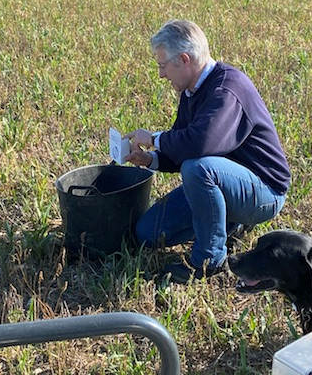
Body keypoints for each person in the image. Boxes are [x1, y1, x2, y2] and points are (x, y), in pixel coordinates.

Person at [124, 19, 291, 283]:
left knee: (199, 168)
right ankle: (227, 222)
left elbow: (201, 145)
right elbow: (182, 146)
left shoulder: (226, 88)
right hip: (224, 182)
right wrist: (150, 159)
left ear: (184, 59)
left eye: (163, 65)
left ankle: (208, 260)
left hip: (264, 190)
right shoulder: (191, 93)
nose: (161, 74)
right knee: (148, 232)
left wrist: (154, 138)